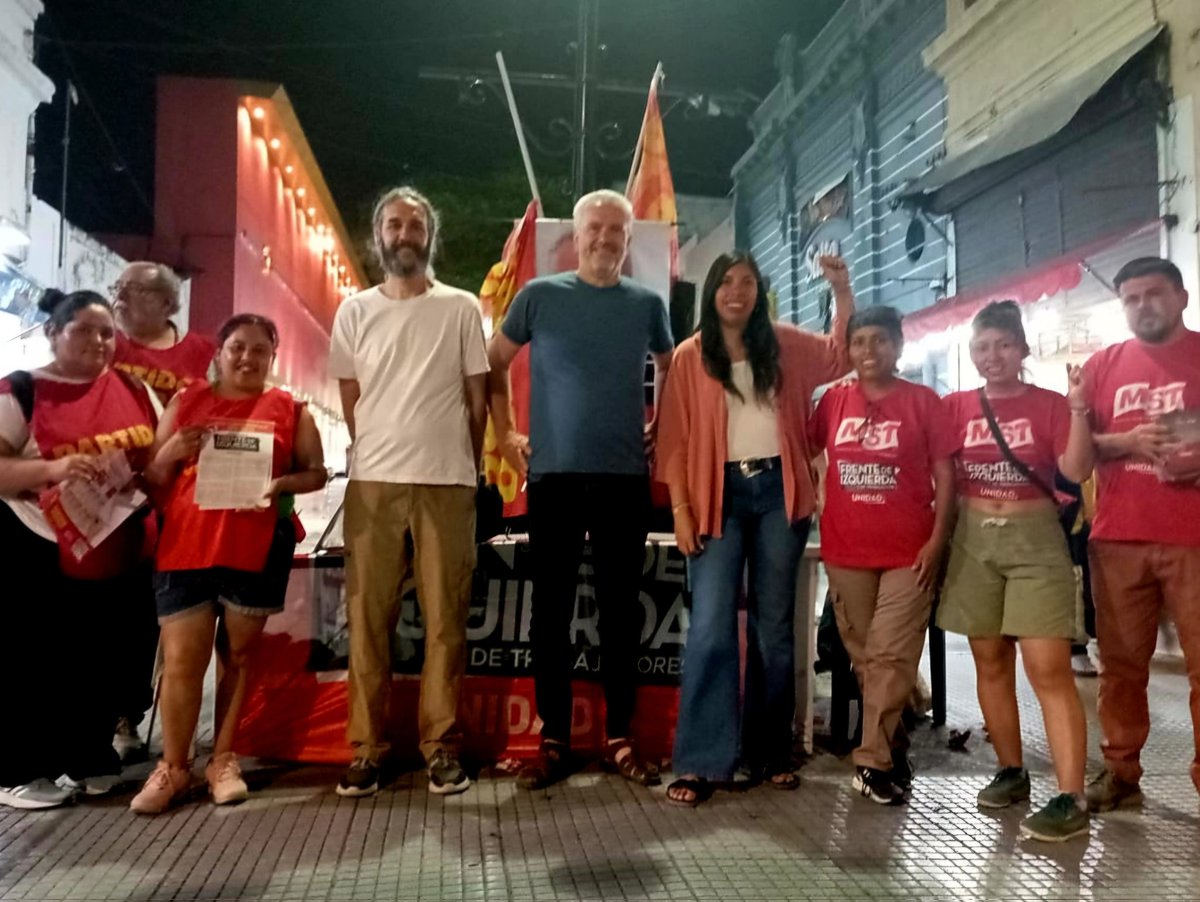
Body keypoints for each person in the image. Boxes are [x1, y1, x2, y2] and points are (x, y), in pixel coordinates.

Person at [487, 189, 674, 790]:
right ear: (577, 236)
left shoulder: (647, 304)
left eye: (614, 232)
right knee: (551, 615)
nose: (603, 239)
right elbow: (492, 363)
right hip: (555, 479)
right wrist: (506, 432)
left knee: (622, 614)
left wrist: (659, 423)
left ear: (627, 240)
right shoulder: (539, 296)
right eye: (594, 229)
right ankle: (554, 740)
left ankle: (621, 736)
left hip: (624, 479)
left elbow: (671, 363)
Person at [656, 250, 853, 806]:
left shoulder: (784, 343)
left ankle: (769, 753)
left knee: (773, 630)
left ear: (759, 292)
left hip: (777, 495)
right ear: (711, 292)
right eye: (726, 282)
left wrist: (841, 290)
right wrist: (681, 510)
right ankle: (701, 761)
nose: (736, 291)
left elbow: (839, 357)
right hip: (715, 495)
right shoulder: (691, 356)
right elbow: (672, 440)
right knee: (712, 627)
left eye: (747, 283)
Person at [129, 314, 327, 814]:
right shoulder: (186, 402)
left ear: (271, 358)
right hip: (186, 548)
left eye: (259, 350)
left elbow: (316, 472)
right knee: (181, 664)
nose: (247, 358)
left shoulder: (290, 409)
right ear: (219, 351)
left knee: (239, 659)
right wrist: (172, 449)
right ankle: (174, 767)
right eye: (238, 347)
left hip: (254, 550)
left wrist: (281, 485)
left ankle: (222, 759)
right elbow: (153, 476)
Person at [329, 186, 489, 798]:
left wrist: (464, 467)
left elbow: (478, 402)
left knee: (447, 620)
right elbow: (352, 399)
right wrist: (374, 447)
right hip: (373, 483)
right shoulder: (354, 311)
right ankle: (367, 749)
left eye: (415, 225)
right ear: (378, 236)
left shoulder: (459, 308)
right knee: (368, 617)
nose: (404, 234)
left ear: (430, 236)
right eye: (393, 224)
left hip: (448, 481)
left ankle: (441, 747)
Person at [936, 300, 1093, 842]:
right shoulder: (955, 406)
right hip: (974, 541)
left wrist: (1078, 410)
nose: (992, 356)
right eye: (982, 347)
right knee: (989, 661)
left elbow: (1075, 471)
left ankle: (1071, 796)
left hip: (1036, 541)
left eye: (1003, 345)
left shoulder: (1050, 405)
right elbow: (939, 476)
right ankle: (1011, 769)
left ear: (1022, 349)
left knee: (1048, 667)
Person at [0, 289, 159, 809]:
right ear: (52, 333)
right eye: (83, 330)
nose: (98, 341)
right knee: (36, 659)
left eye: (107, 331)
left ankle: (89, 755)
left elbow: (154, 461)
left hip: (118, 548)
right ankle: (24, 768)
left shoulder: (135, 389)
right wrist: (52, 469)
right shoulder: (21, 391)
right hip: (38, 543)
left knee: (104, 656)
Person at [809, 305, 956, 807]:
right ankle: (892, 746)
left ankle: (869, 763)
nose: (869, 351)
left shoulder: (923, 402)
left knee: (892, 653)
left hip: (908, 552)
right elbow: (805, 446)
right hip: (846, 551)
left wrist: (938, 540)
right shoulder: (832, 402)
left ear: (899, 346)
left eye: (881, 341)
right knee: (868, 659)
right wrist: (817, 493)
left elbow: (946, 477)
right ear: (848, 350)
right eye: (860, 342)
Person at [1080, 257, 1200, 812]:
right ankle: (1120, 770)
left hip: (1193, 538)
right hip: (1119, 537)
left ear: (1180, 297)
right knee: (1122, 665)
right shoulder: (1102, 365)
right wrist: (1126, 442)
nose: (1142, 306)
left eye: (1153, 294)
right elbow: (1079, 448)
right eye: (1130, 298)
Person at [110, 260, 217, 762]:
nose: (122, 296)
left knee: (157, 620)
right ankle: (112, 716)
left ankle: (136, 711)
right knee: (114, 609)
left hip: (178, 508)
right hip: (112, 502)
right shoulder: (105, 346)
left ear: (170, 303)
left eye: (136, 290)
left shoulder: (201, 353)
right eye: (120, 288)